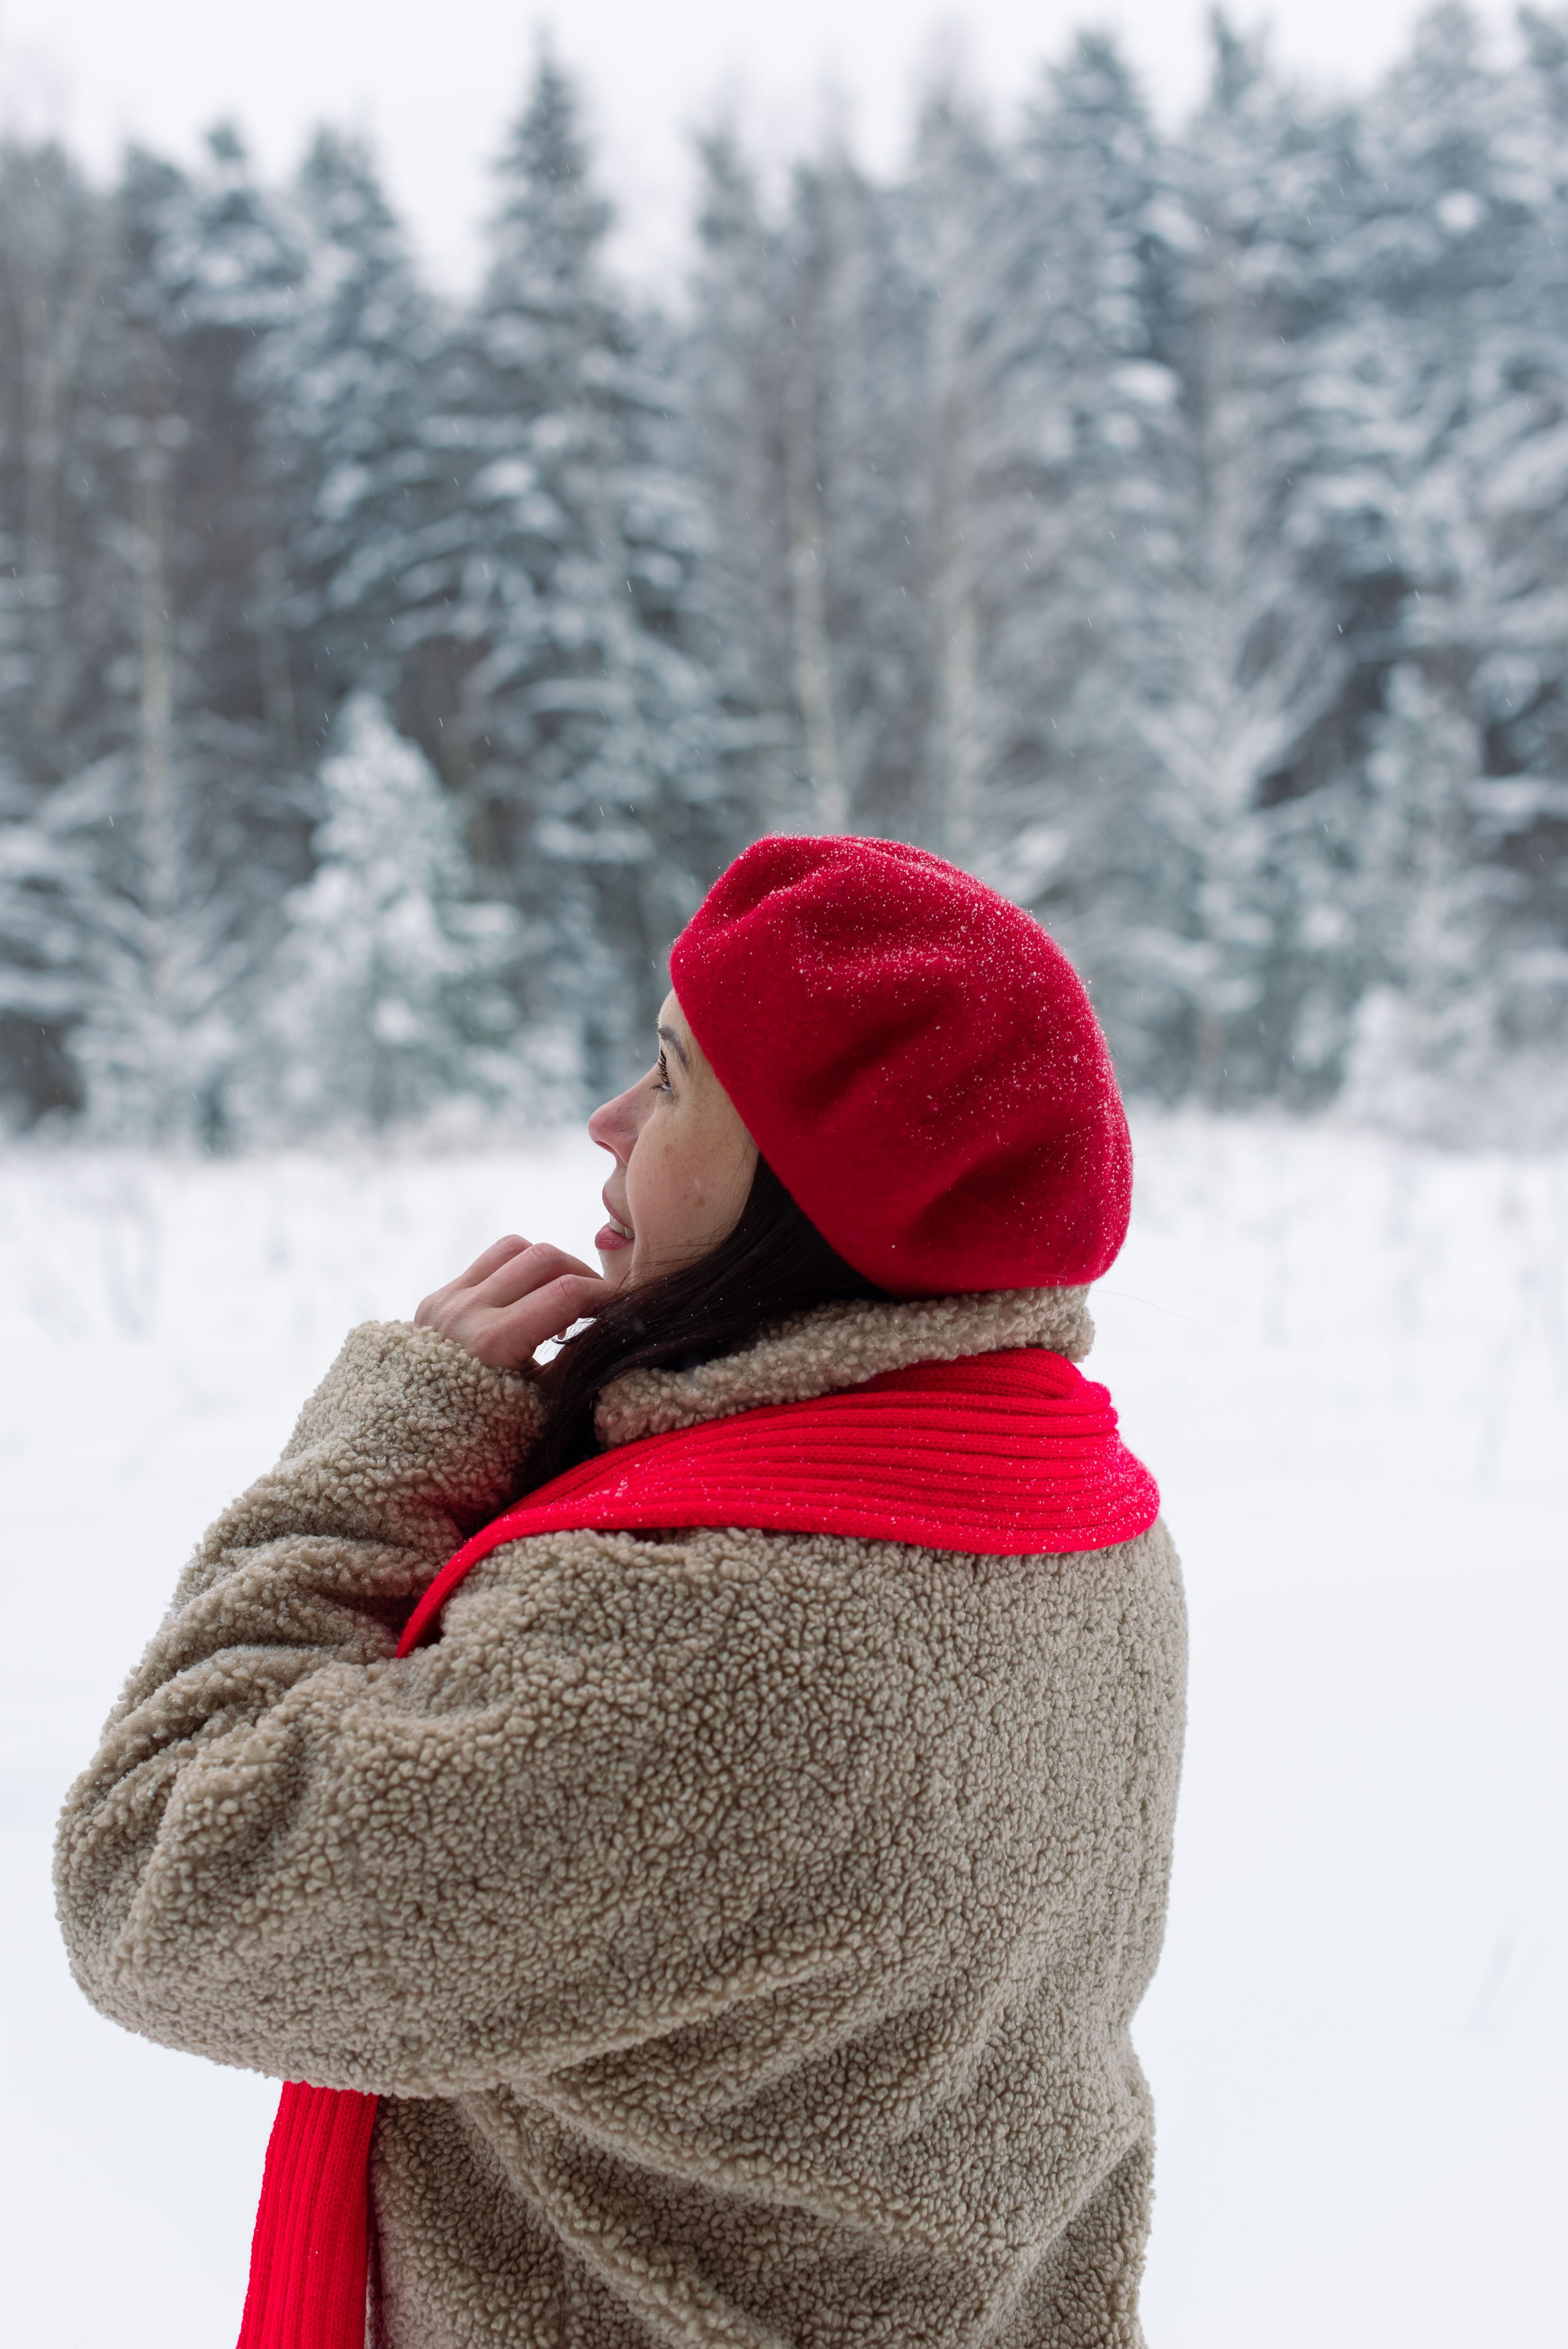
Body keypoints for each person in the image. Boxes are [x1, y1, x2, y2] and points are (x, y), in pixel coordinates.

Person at [55, 835, 1186, 2349]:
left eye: (666, 1082)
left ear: (810, 1187)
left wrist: (386, 1451)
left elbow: (158, 1888)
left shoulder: (708, 1635)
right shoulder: (1068, 1517)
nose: (606, 1121)